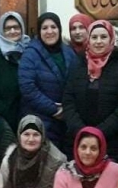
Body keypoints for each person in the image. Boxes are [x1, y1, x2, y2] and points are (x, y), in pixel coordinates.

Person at [62, 20, 118, 166]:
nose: (98, 41)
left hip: (114, 142)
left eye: (103, 37)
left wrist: (98, 133)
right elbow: (68, 100)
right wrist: (83, 132)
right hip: (79, 141)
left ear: (111, 39)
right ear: (88, 40)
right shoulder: (78, 64)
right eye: (94, 37)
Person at [18, 12, 78, 153]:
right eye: (44, 28)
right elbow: (28, 88)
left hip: (66, 122)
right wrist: (54, 109)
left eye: (53, 27)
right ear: (39, 31)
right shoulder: (30, 54)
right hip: (40, 121)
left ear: (59, 29)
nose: (49, 31)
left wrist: (68, 107)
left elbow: (76, 82)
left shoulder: (69, 52)